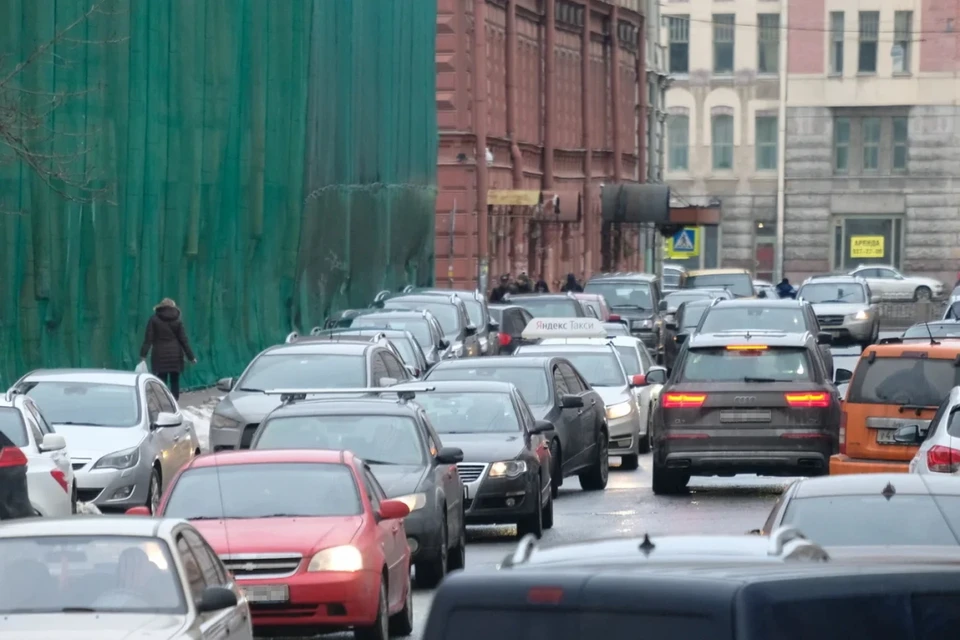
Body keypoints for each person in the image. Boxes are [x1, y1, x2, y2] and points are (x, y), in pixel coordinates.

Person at [140, 298, 196, 400]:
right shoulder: (177, 320)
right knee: (175, 380)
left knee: (161, 380)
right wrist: (191, 357)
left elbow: (148, 339)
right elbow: (184, 340)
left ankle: (162, 401)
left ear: (160, 307)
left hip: (159, 355)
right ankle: (174, 402)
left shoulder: (154, 319)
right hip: (175, 355)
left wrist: (143, 355)